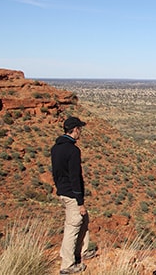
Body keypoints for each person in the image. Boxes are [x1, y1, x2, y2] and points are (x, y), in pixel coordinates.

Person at [52, 116, 95, 274]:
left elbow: (56, 173)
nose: (80, 132)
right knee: (73, 226)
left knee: (84, 219)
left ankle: (81, 253)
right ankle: (67, 266)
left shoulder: (55, 148)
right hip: (72, 194)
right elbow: (75, 177)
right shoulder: (73, 150)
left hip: (63, 191)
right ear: (75, 129)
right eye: (80, 129)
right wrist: (80, 202)